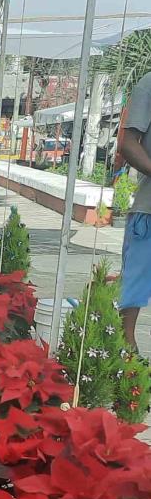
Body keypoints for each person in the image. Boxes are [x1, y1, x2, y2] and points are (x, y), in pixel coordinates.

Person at [119, 71, 151, 352]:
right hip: (149, 211)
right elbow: (128, 143)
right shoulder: (149, 84)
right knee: (133, 292)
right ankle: (125, 362)